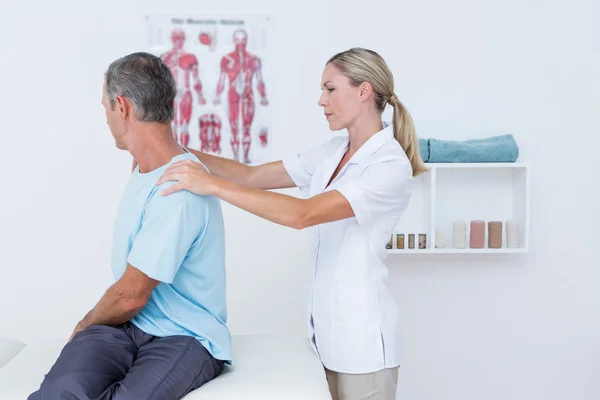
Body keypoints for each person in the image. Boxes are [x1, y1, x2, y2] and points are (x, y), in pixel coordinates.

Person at [156, 47, 427, 399]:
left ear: (364, 92)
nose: (321, 100)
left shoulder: (388, 166)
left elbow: (304, 214)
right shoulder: (332, 152)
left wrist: (209, 184)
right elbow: (251, 176)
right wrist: (173, 150)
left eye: (330, 89)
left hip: (364, 347)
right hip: (325, 340)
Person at [29, 52, 230, 400]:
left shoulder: (177, 190)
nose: (106, 119)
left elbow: (132, 294)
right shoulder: (146, 166)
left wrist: (85, 324)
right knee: (58, 394)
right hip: (128, 326)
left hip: (184, 335)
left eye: (105, 108)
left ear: (121, 107)